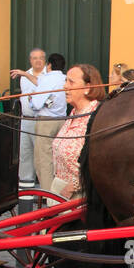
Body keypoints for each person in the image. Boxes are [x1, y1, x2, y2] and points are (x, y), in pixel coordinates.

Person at [50, 63, 106, 200]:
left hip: (79, 196)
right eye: (65, 81)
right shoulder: (74, 113)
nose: (65, 86)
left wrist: (74, 186)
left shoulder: (97, 117)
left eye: (71, 82)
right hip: (59, 190)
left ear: (87, 88)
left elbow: (101, 164)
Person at [32, 53, 69, 190]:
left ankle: (49, 196)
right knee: (59, 160)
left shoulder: (47, 79)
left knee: (44, 160)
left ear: (49, 65)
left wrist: (31, 100)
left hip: (46, 122)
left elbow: (36, 104)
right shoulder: (65, 79)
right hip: (62, 120)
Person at [11, 48, 47, 189]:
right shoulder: (24, 76)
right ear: (30, 60)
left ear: (45, 60)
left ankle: (45, 190)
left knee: (42, 155)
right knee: (25, 154)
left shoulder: (48, 75)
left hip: (42, 120)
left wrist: (25, 74)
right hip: (26, 119)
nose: (38, 61)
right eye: (34, 58)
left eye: (41, 58)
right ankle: (25, 187)